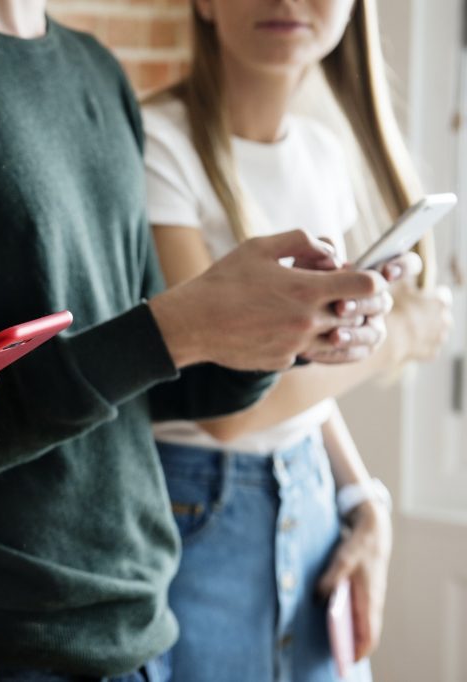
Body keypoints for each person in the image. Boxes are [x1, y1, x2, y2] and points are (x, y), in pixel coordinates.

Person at [0, 0, 414, 678]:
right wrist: (177, 327)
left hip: (136, 631)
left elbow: (151, 375)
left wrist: (282, 331)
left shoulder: (96, 71)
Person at [141, 1, 453, 680]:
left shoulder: (322, 154)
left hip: (312, 498)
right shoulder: (156, 143)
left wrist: (362, 500)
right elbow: (227, 406)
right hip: (193, 512)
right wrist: (396, 336)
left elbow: (300, 380)